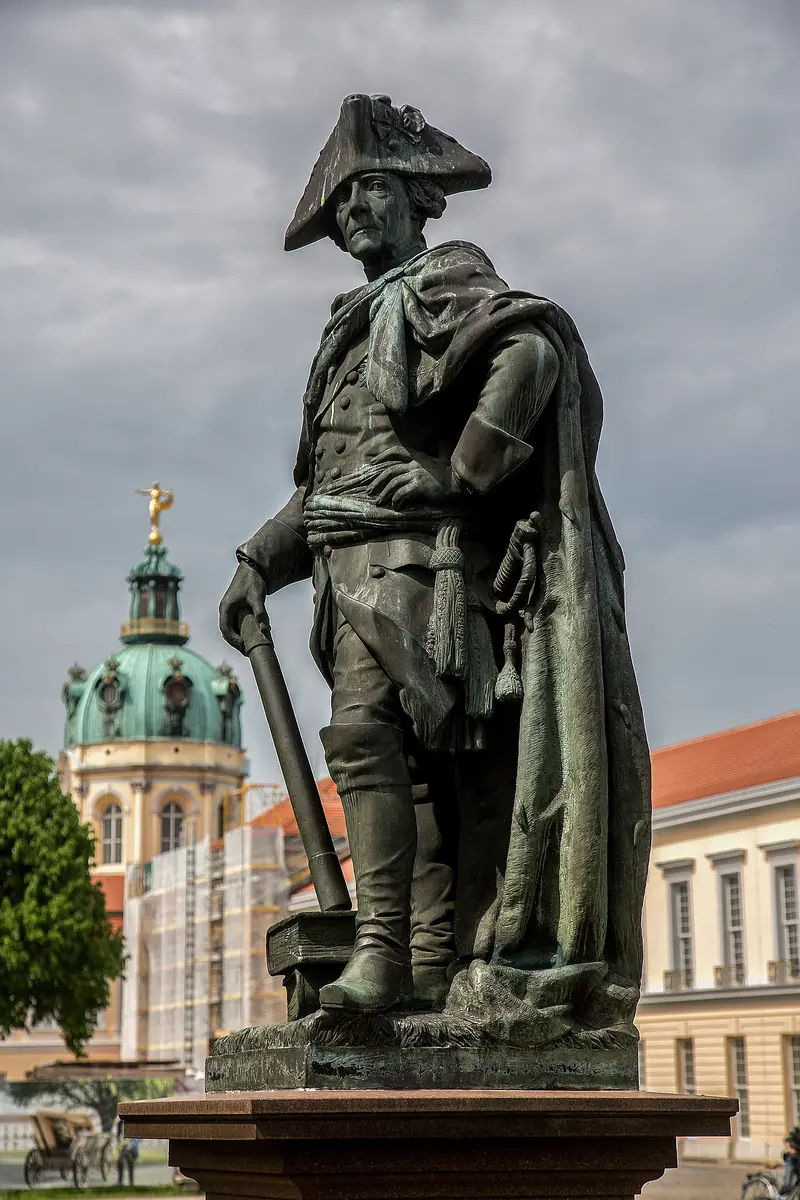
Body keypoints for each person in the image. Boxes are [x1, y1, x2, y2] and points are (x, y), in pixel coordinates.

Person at [220, 94, 650, 1041]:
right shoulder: (350, 325)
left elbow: (534, 351)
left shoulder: (445, 281)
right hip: (348, 574)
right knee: (395, 764)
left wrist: (464, 472)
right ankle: (414, 961)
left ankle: (390, 951)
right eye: (342, 202)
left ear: (418, 199)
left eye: (370, 189)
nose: (354, 212)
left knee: (391, 749)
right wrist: (258, 560)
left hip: (427, 572)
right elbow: (331, 486)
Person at [780, 1128, 800, 1195]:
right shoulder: (795, 1131)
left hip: (797, 1159)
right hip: (792, 1158)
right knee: (787, 1181)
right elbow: (787, 1140)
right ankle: (784, 1193)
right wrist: (791, 1149)